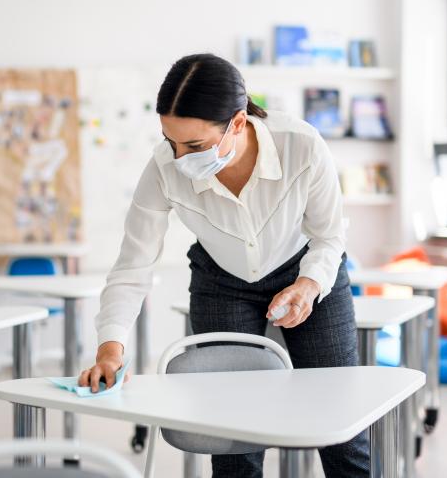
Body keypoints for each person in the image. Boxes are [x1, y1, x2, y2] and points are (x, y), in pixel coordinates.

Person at [78, 53, 369, 478]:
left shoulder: (301, 145)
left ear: (237, 122)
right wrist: (110, 347)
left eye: (194, 146)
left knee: (340, 426)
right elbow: (132, 266)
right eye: (170, 141)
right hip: (221, 282)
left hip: (307, 273)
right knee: (232, 435)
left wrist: (308, 285)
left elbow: (328, 236)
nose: (179, 158)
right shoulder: (163, 168)